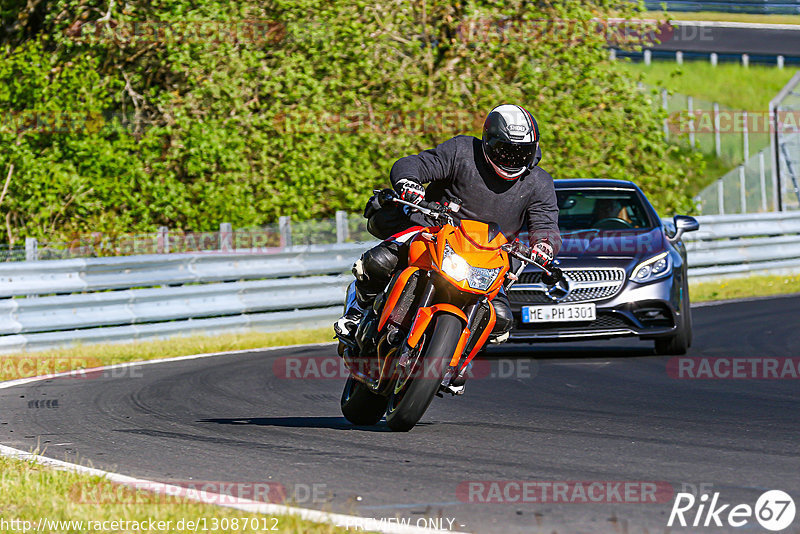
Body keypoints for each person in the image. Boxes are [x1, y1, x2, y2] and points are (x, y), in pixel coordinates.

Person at [335, 104, 562, 346]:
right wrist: (409, 183)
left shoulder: (539, 182)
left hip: (489, 257)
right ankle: (356, 313)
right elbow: (417, 164)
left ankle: (456, 368)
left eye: (521, 153)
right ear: (487, 141)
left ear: (534, 149)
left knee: (501, 320)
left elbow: (546, 222)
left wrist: (544, 246)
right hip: (432, 233)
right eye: (504, 151)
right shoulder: (462, 150)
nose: (512, 159)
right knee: (378, 262)